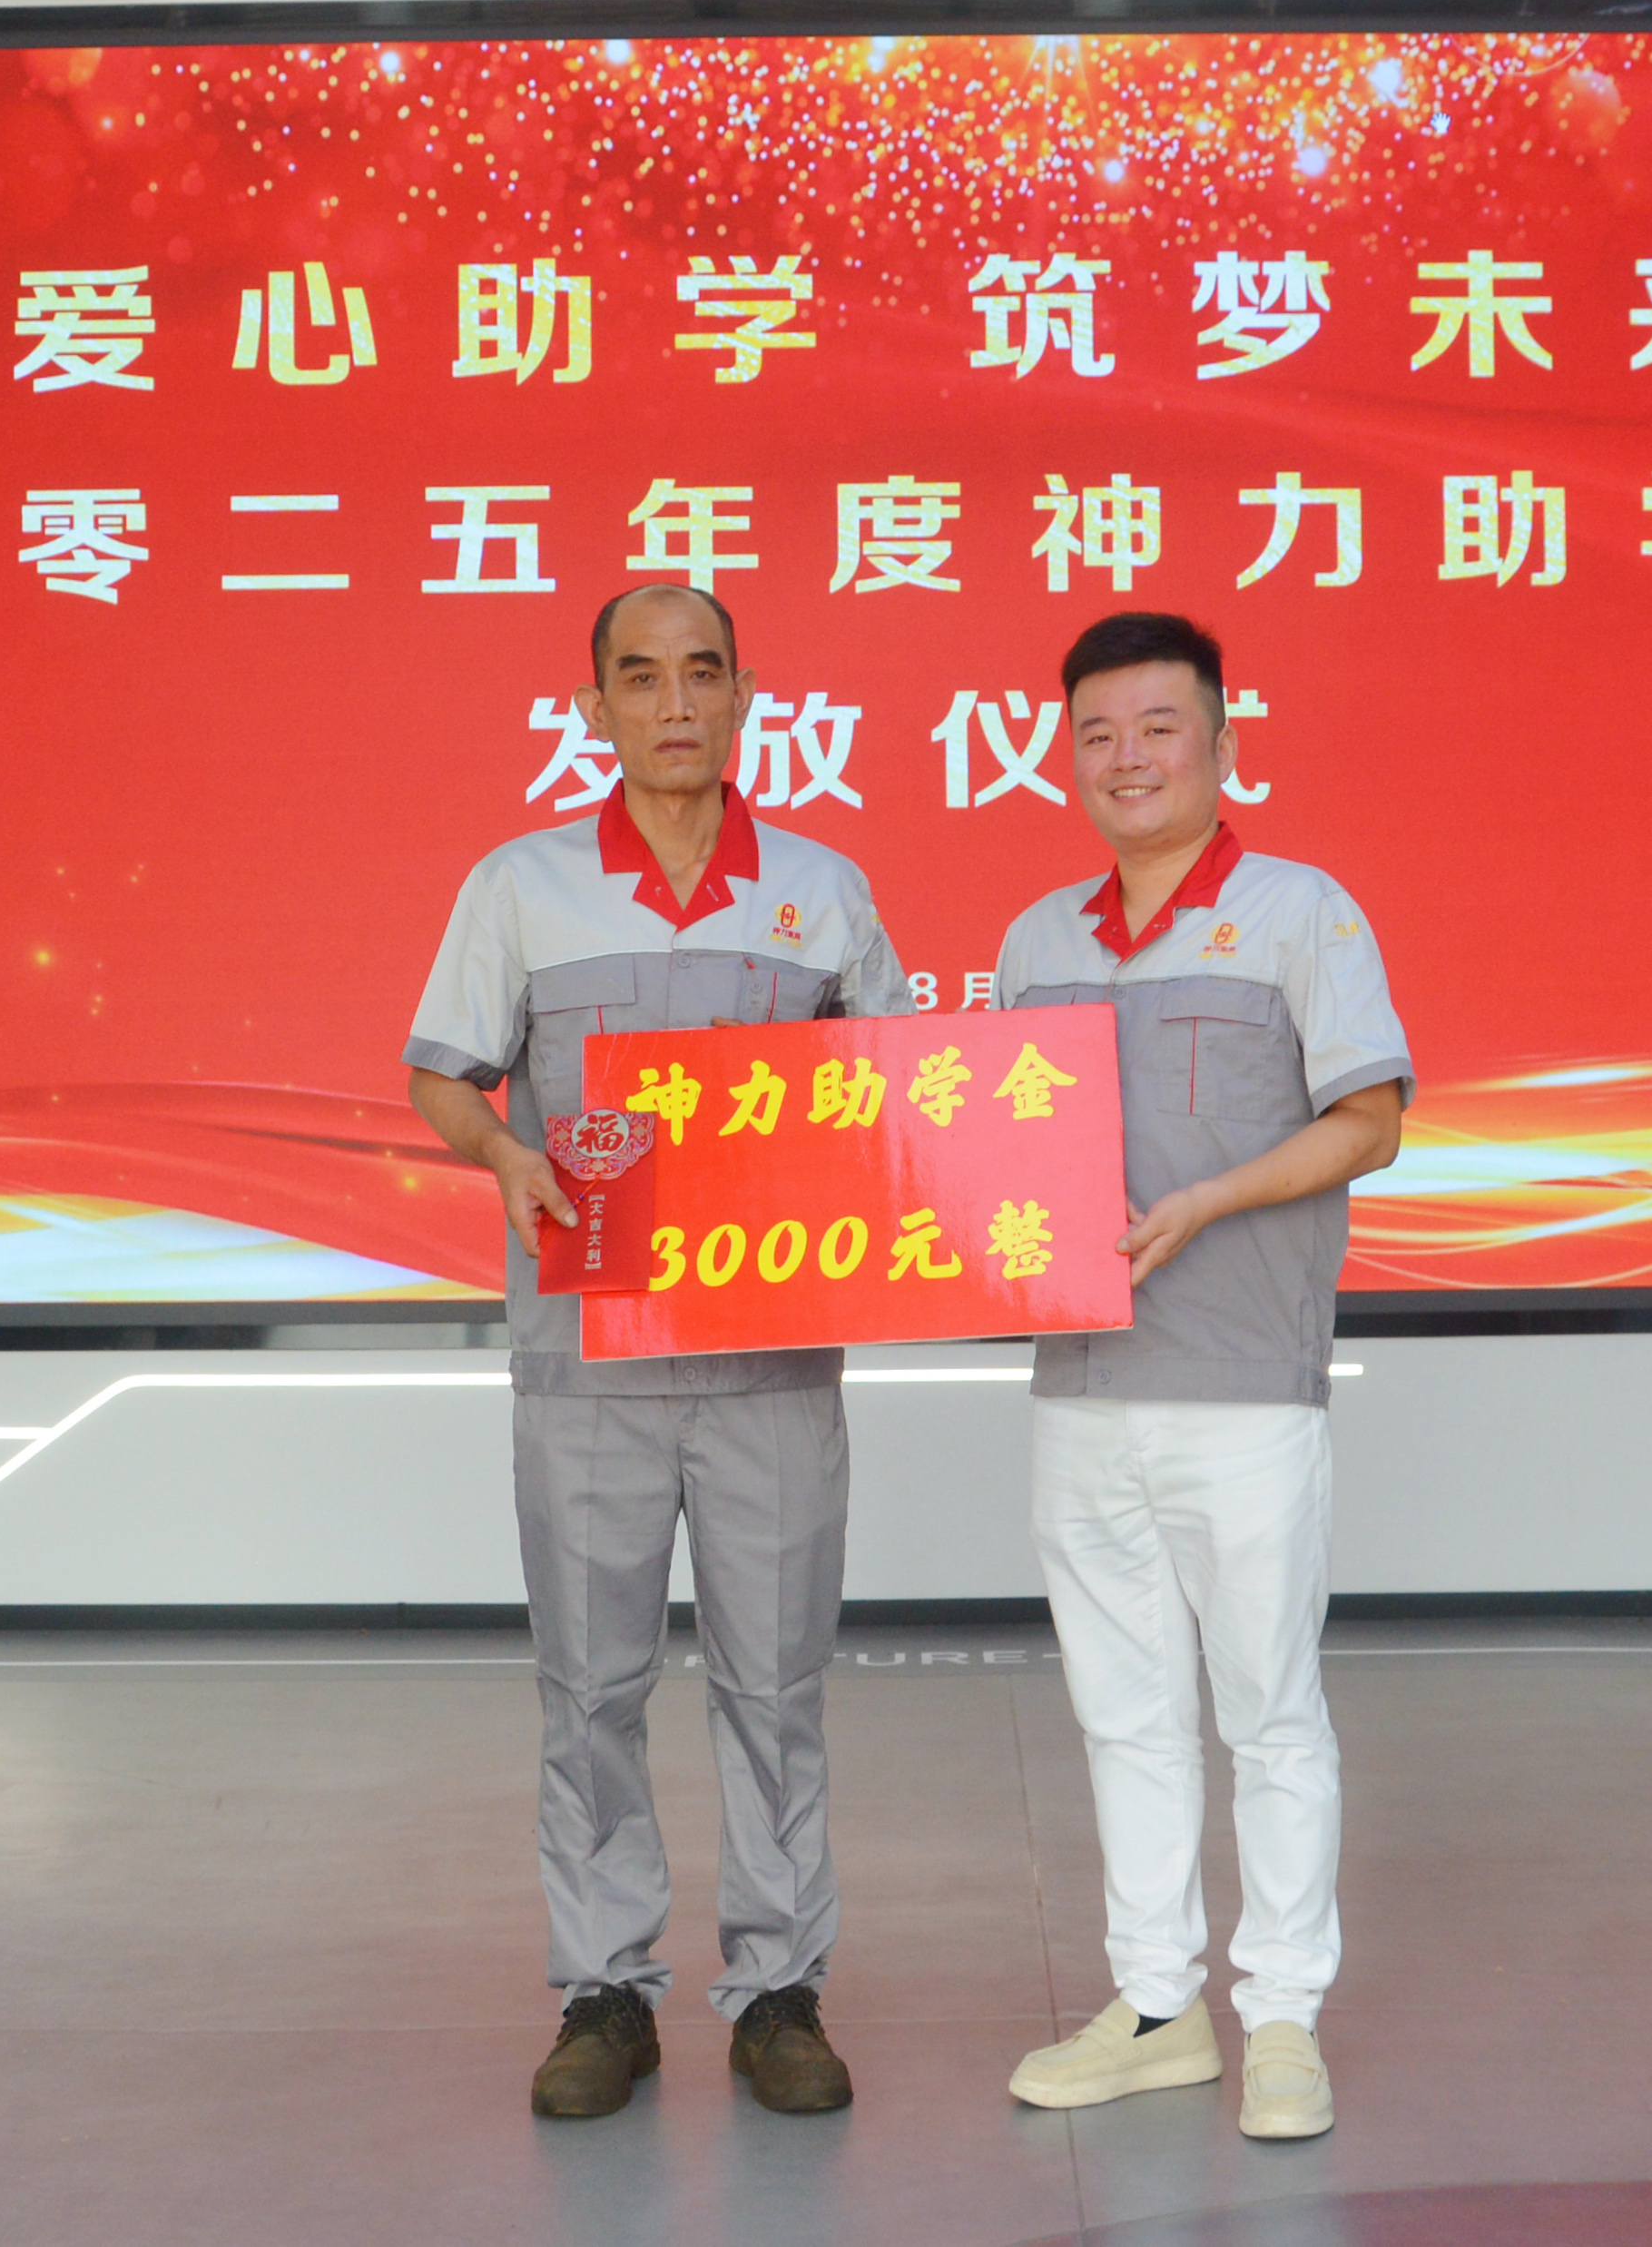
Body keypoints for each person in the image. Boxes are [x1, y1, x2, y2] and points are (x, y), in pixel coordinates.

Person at [404, 583, 911, 2120]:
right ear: (597, 709)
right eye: (641, 678)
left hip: (773, 1369)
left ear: (746, 694)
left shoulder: (821, 890)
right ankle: (605, 1993)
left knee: (777, 1686)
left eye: (702, 673)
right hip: (588, 1366)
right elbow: (445, 1079)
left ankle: (780, 1994)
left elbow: (906, 1095)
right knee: (590, 1685)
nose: (675, 703)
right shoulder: (522, 887)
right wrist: (505, 1153)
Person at [988, 610, 1410, 2142]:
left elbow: (1371, 1120)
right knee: (1123, 1713)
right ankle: (1158, 2008)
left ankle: (1282, 2016)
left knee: (1268, 1711)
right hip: (1081, 1391)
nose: (1128, 758)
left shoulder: (1301, 913)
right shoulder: (1036, 944)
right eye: (1097, 734)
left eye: (1159, 728)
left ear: (1222, 744)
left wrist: (1211, 1201)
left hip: (1243, 1389)